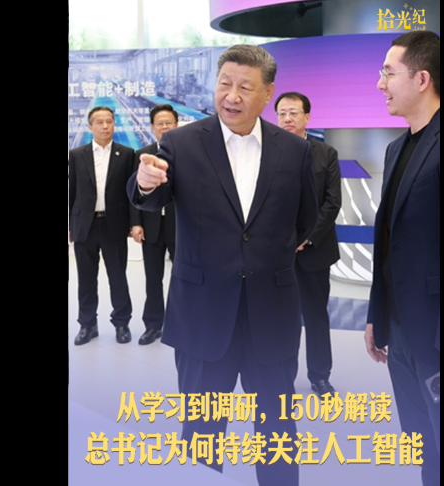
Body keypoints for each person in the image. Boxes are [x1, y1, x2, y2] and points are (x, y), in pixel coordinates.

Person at [128, 44, 317, 486]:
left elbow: (305, 220)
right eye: (224, 84)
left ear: (267, 92)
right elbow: (150, 195)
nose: (231, 96)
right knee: (202, 433)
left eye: (245, 87)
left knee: (276, 429)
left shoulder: (294, 151)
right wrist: (145, 181)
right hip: (202, 315)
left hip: (270, 314)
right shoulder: (181, 143)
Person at [365, 31, 440, 486]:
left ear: (422, 79)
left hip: (434, 331)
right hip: (401, 328)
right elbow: (390, 243)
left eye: (388, 73)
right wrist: (378, 315)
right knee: (421, 439)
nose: (380, 84)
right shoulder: (397, 149)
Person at [274, 92, 342, 396]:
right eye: (282, 113)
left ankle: (320, 375)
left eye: (293, 112)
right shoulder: (266, 152)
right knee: (281, 318)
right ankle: (281, 377)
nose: (287, 118)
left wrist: (307, 237)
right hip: (277, 252)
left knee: (316, 315)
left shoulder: (326, 153)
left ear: (307, 117)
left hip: (315, 250)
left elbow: (332, 202)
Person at [69, 106, 142, 346]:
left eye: (109, 121)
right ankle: (87, 325)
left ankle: (121, 324)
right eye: (99, 122)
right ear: (90, 126)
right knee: (86, 280)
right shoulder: (76, 154)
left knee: (118, 278)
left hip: (114, 225)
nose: (105, 126)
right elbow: (72, 191)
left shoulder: (127, 154)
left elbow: (132, 193)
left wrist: (135, 223)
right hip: (85, 225)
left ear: (114, 124)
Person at [132, 104, 178, 345]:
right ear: (152, 127)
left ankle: (182, 324)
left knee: (183, 279)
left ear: (176, 125)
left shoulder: (186, 154)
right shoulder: (142, 154)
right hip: (151, 227)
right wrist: (135, 224)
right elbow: (134, 194)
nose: (164, 127)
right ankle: (153, 325)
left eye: (168, 122)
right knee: (152, 279)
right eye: (160, 123)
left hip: (179, 228)